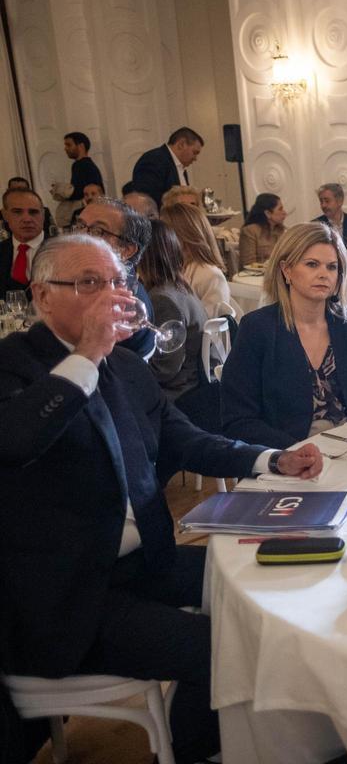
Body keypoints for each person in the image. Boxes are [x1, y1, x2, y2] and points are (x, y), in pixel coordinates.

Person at [0, 232, 322, 764]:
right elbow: (15, 440)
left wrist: (271, 459)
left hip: (145, 563)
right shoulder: (14, 364)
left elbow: (185, 438)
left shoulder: (125, 366)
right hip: (69, 597)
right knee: (229, 647)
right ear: (41, 296)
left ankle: (205, 738)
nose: (110, 297)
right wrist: (86, 354)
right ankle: (194, 751)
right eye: (87, 284)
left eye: (116, 282)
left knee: (283, 580)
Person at [221, 223, 347, 447]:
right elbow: (238, 419)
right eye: (312, 264)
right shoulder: (258, 329)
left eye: (332, 267)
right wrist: (293, 454)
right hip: (286, 457)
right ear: (286, 270)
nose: (323, 274)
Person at [74, 197, 156, 358]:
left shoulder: (126, 303)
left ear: (127, 250)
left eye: (98, 231)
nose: (81, 236)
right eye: (80, 226)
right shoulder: (91, 283)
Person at [137, 220, 208, 402]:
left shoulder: (163, 299)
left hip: (178, 392)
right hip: (186, 383)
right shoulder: (178, 287)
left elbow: (166, 368)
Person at [161, 202, 236, 318]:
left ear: (184, 236)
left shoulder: (209, 275)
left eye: (164, 234)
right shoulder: (171, 268)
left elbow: (212, 327)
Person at [130, 126, 204, 207]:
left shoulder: (180, 167)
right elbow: (148, 200)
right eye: (195, 152)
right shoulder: (154, 160)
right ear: (181, 144)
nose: (195, 158)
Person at [51, 131, 105, 227]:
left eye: (69, 145)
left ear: (81, 146)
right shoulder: (82, 165)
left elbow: (80, 192)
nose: (65, 149)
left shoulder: (83, 165)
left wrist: (61, 190)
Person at [1, 187, 47, 296]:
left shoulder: (63, 250)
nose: (27, 219)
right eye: (17, 212)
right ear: (5, 215)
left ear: (43, 215)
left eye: (33, 212)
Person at [240, 192, 288, 268]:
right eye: (280, 209)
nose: (285, 213)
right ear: (268, 213)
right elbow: (248, 264)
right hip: (256, 276)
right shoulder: (250, 231)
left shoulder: (282, 230)